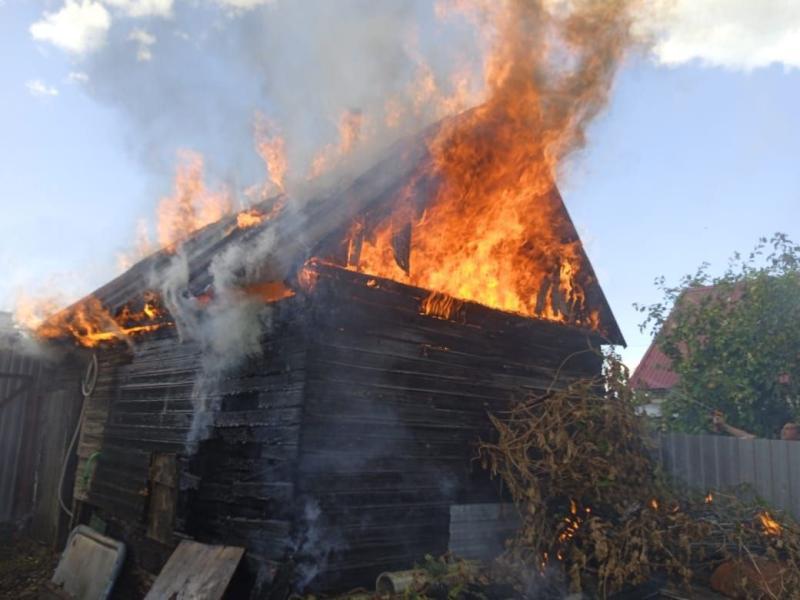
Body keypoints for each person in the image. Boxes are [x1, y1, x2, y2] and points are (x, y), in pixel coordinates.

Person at [711, 411, 799, 441]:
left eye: (788, 429)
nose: (783, 431)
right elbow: (747, 437)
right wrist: (724, 425)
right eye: (783, 428)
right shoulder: (773, 446)